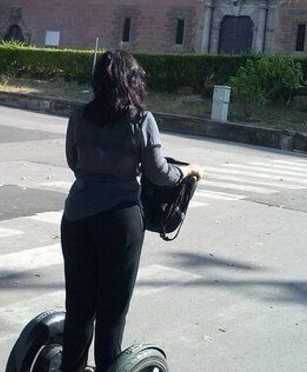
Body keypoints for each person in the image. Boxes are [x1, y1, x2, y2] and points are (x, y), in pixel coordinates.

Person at [61, 50, 203, 372]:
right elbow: (158, 173)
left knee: (79, 306)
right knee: (112, 309)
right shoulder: (141, 120)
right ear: (133, 82)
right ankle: (110, 366)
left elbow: (74, 162)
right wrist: (188, 171)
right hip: (120, 221)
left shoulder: (79, 116)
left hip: (76, 217)